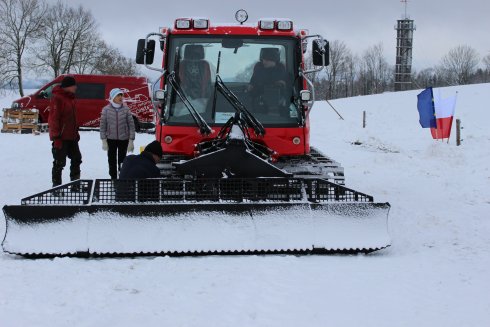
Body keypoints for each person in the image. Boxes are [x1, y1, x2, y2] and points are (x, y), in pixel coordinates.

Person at [48, 75, 82, 187]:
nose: (76, 87)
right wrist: (56, 137)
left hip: (71, 136)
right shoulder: (57, 98)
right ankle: (56, 187)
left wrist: (75, 132)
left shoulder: (71, 98)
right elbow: (53, 119)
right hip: (61, 137)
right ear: (67, 86)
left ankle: (75, 183)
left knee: (77, 158)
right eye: (74, 85)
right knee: (59, 162)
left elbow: (72, 118)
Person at [100, 88, 136, 179]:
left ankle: (121, 177)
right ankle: (113, 179)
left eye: (121, 95)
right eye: (118, 95)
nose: (120, 97)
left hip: (123, 139)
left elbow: (131, 125)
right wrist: (104, 140)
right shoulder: (106, 110)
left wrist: (131, 140)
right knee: (111, 160)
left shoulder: (126, 109)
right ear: (112, 97)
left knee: (122, 160)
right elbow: (103, 126)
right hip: (110, 139)